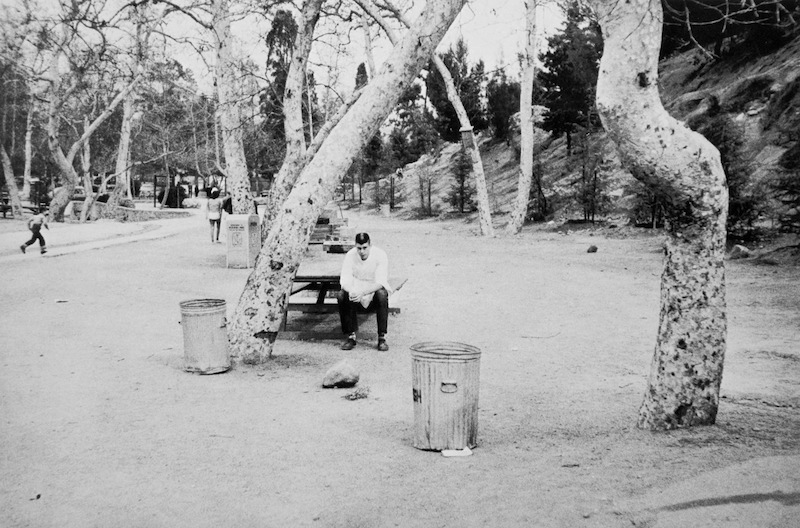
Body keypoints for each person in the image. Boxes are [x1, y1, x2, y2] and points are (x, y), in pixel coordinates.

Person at [337, 232, 393, 351]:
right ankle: (351, 336)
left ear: (370, 245)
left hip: (373, 289)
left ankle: (382, 337)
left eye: (364, 248)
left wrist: (363, 292)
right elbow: (345, 280)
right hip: (356, 288)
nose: (362, 251)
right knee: (341, 295)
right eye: (359, 248)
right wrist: (352, 291)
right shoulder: (350, 255)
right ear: (355, 246)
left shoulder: (380, 254)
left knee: (382, 294)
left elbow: (381, 282)